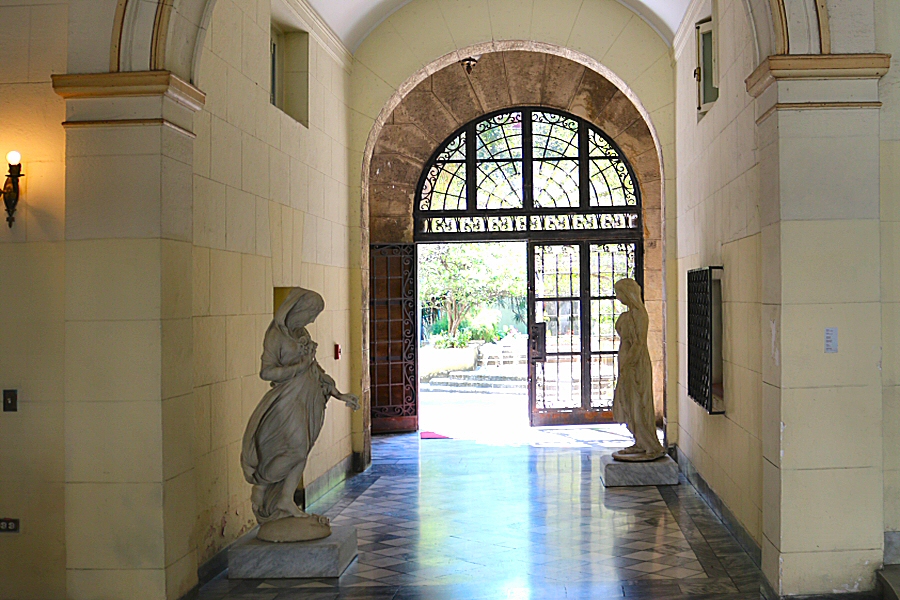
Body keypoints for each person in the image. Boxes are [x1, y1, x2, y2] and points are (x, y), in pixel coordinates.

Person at [241, 288, 360, 528]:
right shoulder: (275, 336)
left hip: (307, 400)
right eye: (311, 313)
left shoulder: (302, 332)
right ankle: (262, 484)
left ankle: (285, 500)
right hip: (286, 401)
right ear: (297, 309)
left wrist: (339, 394)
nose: (313, 319)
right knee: (294, 450)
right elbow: (266, 372)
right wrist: (300, 366)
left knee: (302, 450)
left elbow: (315, 369)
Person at [611, 278, 665, 462]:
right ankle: (639, 442)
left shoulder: (639, 315)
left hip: (636, 364)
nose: (617, 296)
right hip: (627, 362)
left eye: (619, 292)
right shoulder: (629, 315)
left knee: (638, 404)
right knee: (629, 402)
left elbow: (639, 343)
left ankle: (651, 445)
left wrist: (628, 363)